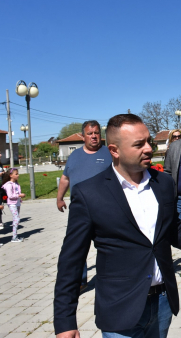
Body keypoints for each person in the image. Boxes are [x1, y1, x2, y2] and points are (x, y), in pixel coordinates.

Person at [53, 114, 181, 338]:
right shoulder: (89, 193)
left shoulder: (164, 184)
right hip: (120, 310)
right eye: (139, 144)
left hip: (162, 305)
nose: (149, 148)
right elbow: (71, 259)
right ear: (114, 150)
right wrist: (65, 321)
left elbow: (173, 231)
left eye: (149, 141)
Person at [56, 120, 112, 290]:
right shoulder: (74, 156)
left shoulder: (109, 153)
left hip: (105, 209)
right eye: (90, 133)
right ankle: (78, 282)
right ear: (83, 136)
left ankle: (109, 278)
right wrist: (59, 198)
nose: (94, 136)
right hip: (79, 210)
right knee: (76, 247)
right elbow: (65, 178)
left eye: (96, 133)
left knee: (107, 246)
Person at [1, 168, 25, 242]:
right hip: (12, 204)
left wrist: (19, 198)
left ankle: (15, 235)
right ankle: (14, 237)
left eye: (18, 173)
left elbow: (17, 192)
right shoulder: (9, 185)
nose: (18, 175)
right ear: (11, 175)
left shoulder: (16, 183)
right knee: (16, 219)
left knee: (16, 219)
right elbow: (10, 196)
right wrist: (19, 196)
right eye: (16, 174)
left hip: (17, 203)